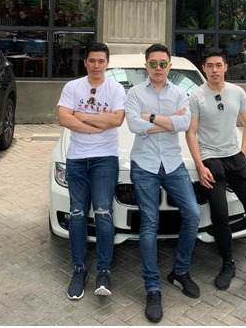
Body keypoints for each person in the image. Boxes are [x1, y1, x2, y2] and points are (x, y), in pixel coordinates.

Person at [186, 47, 246, 296]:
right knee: (220, 212)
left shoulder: (237, 92)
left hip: (235, 157)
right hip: (211, 159)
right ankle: (228, 264)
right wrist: (200, 165)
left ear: (226, 67)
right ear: (204, 68)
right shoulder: (196, 96)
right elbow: (191, 132)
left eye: (218, 65)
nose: (214, 70)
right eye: (210, 66)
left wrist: (243, 151)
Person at [125, 43, 201, 323]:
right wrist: (169, 122)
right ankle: (152, 288)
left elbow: (185, 124)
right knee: (149, 223)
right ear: (146, 65)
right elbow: (134, 125)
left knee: (192, 213)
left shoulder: (180, 93)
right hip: (144, 165)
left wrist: (152, 118)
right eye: (153, 63)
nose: (158, 68)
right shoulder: (134, 93)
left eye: (163, 63)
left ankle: (179, 272)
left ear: (169, 65)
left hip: (173, 164)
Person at [57, 42, 126, 300]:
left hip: (105, 159)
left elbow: (117, 119)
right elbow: (64, 118)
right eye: (92, 61)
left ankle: (104, 272)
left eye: (101, 61)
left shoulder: (116, 88)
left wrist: (82, 117)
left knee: (103, 212)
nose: (96, 65)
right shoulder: (72, 87)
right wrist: (97, 126)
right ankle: (79, 270)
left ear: (107, 63)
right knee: (76, 213)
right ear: (85, 62)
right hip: (76, 158)